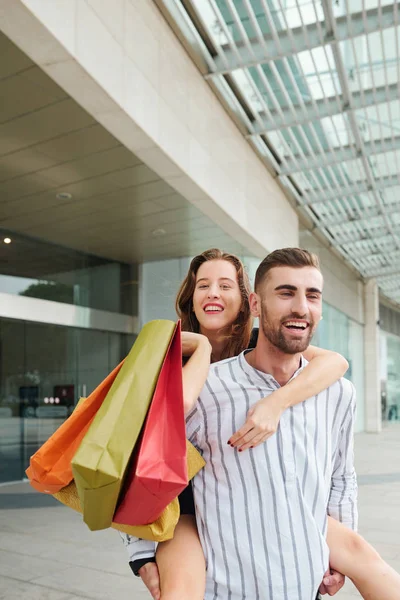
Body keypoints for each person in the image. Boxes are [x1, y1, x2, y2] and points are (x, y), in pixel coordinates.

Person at [123, 248, 400, 600]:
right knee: (179, 591)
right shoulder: (179, 360)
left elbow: (335, 365)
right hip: (183, 509)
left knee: (363, 557)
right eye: (203, 285)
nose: (213, 294)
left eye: (225, 285)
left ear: (244, 302)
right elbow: (133, 455)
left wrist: (277, 401)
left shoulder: (289, 358)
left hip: (288, 543)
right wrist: (141, 552)